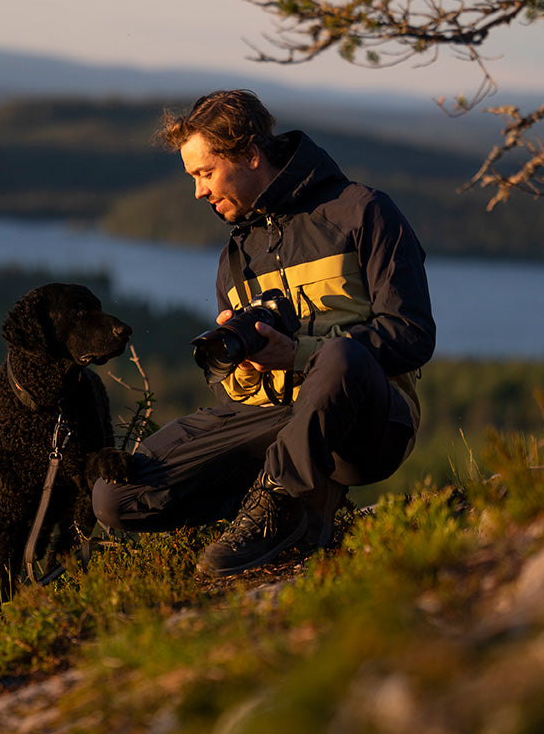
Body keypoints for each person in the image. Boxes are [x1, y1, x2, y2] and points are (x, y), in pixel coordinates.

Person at [92, 89, 436, 577]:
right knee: (115, 496)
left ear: (251, 155)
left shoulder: (361, 211)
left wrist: (299, 354)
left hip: (365, 426)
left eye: (205, 173)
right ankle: (300, 499)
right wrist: (246, 366)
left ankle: (278, 505)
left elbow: (412, 334)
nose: (198, 192)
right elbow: (229, 395)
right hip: (273, 420)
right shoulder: (237, 256)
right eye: (193, 178)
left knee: (340, 358)